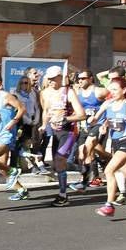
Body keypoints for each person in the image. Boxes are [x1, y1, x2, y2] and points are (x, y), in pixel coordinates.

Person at [39, 65, 86, 206]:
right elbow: (46, 111)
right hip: (55, 132)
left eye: (54, 78)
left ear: (60, 77)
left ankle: (63, 195)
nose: (52, 81)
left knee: (59, 159)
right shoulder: (44, 93)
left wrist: (65, 119)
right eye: (49, 78)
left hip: (69, 132)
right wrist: (43, 125)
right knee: (57, 164)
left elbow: (82, 115)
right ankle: (82, 169)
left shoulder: (68, 92)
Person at [91, 77, 126, 216]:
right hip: (115, 142)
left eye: (116, 89)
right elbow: (97, 118)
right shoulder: (107, 104)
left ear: (124, 90)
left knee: (109, 170)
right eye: (111, 89)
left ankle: (109, 205)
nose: (113, 92)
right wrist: (100, 124)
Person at [69, 69, 110, 191]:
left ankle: (84, 182)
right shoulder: (77, 92)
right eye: (78, 79)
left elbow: (113, 102)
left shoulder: (99, 91)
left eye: (83, 78)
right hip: (84, 127)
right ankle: (107, 160)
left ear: (91, 78)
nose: (80, 81)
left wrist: (107, 123)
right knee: (83, 154)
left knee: (88, 148)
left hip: (99, 124)